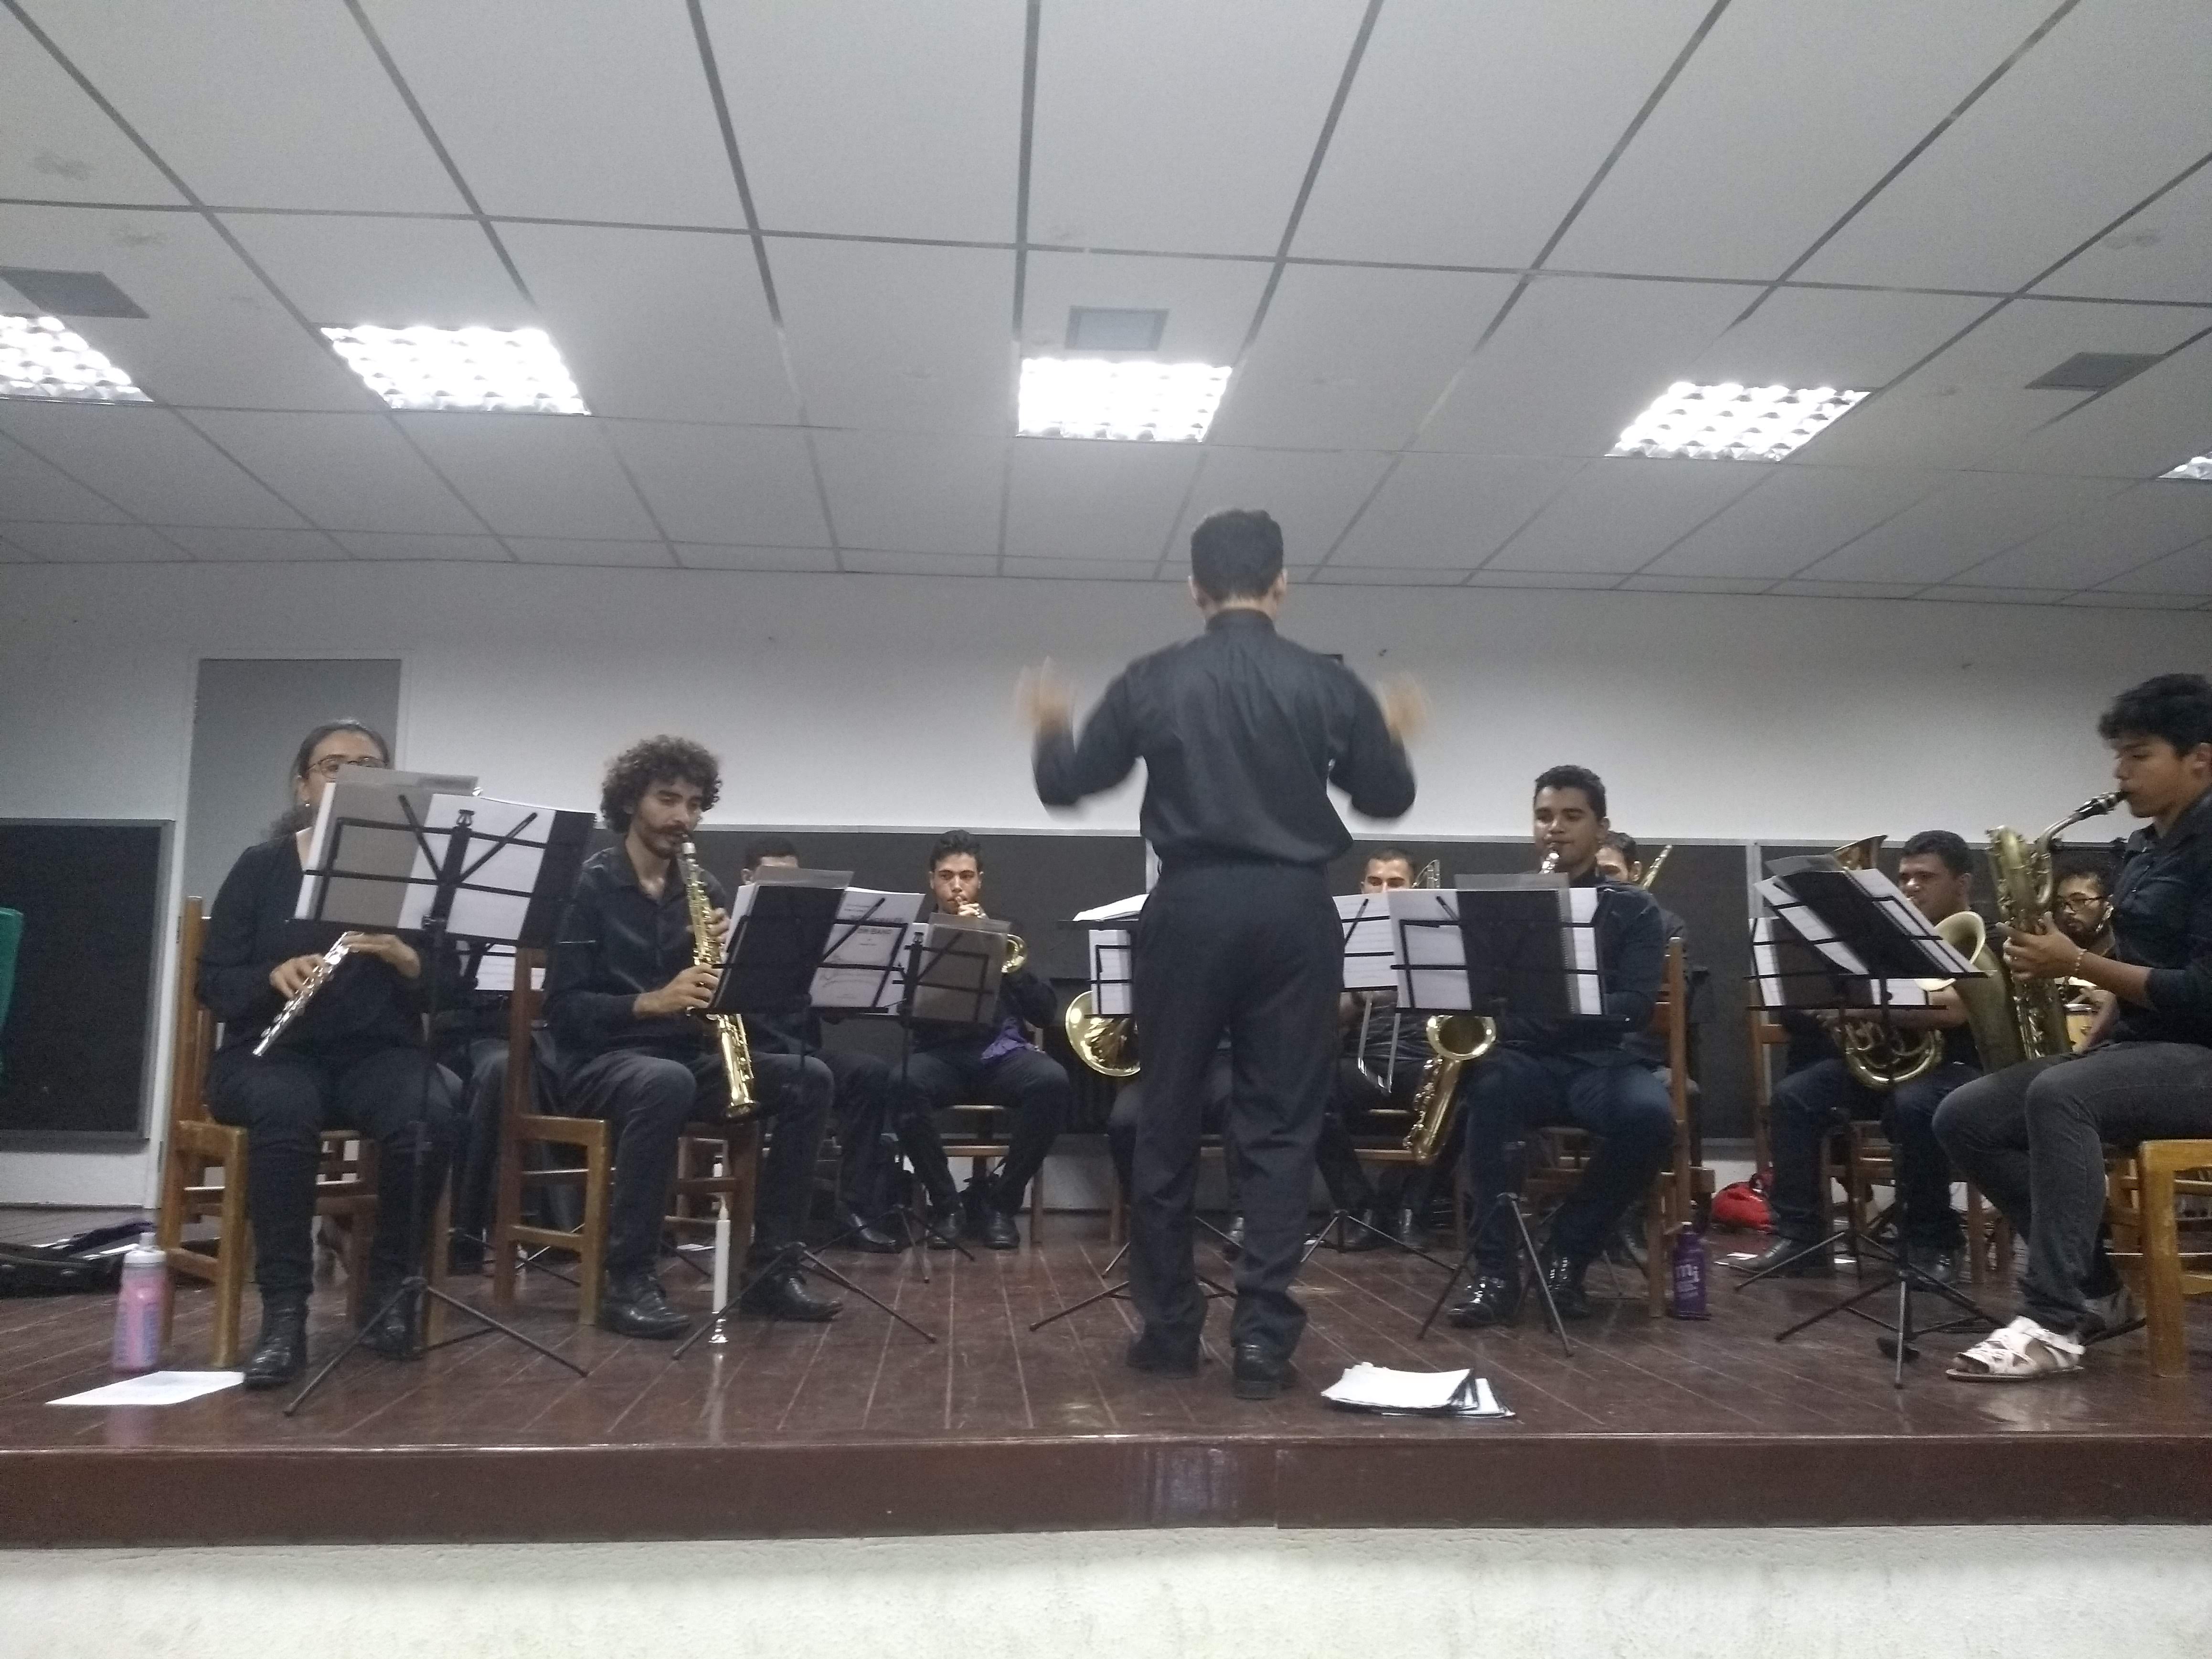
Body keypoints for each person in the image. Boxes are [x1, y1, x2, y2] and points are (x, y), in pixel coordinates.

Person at [1026, 506, 1420, 1399]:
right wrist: (1390, 734)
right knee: (1280, 1126)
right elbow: (1388, 796)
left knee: (1165, 1115)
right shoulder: (1327, 683)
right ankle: (1263, 1342)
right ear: (1282, 584)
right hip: (1293, 911)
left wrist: (1051, 725)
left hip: (1191, 907)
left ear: (1193, 589)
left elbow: (1067, 783)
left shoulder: (1154, 677)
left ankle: (1170, 1330)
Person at [1936, 674, 2212, 1381]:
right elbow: (2140, 963)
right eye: (2119, 755)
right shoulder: (2146, 847)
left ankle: (2053, 1323)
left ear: (2200, 759)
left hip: (2202, 1054)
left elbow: (2201, 989)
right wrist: (2090, 1044)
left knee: (2063, 1095)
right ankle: (2096, 1290)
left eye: (2139, 756)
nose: (2120, 773)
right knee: (1965, 1115)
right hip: (2152, 1048)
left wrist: (2077, 962)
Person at [545, 736, 838, 1338]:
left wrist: (734, 970)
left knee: (808, 1079)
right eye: (668, 799)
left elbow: (720, 1006)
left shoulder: (705, 890)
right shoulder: (587, 888)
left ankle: (773, 1268)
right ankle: (629, 1279)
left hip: (681, 1059)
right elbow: (564, 1011)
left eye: (696, 804)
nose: (683, 816)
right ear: (631, 801)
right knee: (665, 1082)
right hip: (599, 1063)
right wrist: (651, 1002)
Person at [199, 720, 458, 1390]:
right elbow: (213, 981)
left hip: (375, 1055)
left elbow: (452, 987)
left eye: (368, 766)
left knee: (429, 1112)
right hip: (271, 1053)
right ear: (304, 785)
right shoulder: (262, 867)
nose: (349, 777)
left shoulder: (415, 875)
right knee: (284, 1112)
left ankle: (387, 1290)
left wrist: (406, 957)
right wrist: (271, 976)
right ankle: (285, 1312)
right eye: (333, 765)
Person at [1449, 766, 1674, 1327]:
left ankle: (1568, 1253)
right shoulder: (1506, 905)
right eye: (1544, 817)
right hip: (1529, 1061)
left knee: (1650, 1118)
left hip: (1603, 1061)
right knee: (1488, 1093)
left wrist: (1559, 1004)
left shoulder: (1634, 909)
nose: (1555, 828)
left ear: (1601, 829)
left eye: (1572, 817)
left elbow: (1636, 1005)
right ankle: (1496, 1274)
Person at [1739, 830, 1984, 1284]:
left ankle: (1934, 1242)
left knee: (1913, 1106)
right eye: (1904, 877)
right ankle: (1800, 1238)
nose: (1911, 887)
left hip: (1960, 1069)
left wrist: (1860, 1008)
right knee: (1795, 1096)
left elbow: (1953, 1010)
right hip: (1893, 1065)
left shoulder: (1980, 937)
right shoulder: (1884, 939)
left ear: (1962, 883)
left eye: (1925, 877)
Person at [889, 830, 1073, 1249]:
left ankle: (1001, 1204)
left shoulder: (1008, 933)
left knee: (1052, 1082)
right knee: (901, 1084)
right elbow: (902, 1015)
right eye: (947, 876)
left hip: (1001, 1055)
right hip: (941, 1056)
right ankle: (947, 1205)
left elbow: (1044, 1012)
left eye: (966, 876)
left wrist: (1009, 965)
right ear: (931, 881)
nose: (957, 886)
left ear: (980, 881)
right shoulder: (917, 938)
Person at [737, 835, 912, 1252]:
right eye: (776, 880)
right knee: (806, 1077)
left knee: (870, 1074)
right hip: (751, 1055)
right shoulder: (732, 930)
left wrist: (848, 984)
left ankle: (855, 1208)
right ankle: (775, 1226)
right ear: (748, 878)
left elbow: (831, 1009)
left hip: (803, 1052)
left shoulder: (808, 935)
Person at [1330, 847, 1434, 1249]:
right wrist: (1360, 997)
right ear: (1362, 888)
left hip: (1423, 1057)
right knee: (1305, 1093)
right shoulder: (1342, 935)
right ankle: (1361, 1208)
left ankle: (1413, 1207)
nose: (1385, 892)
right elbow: (1323, 1018)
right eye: (1375, 882)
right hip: (1362, 1057)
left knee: (1469, 1094)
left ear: (1415, 889)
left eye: (1396, 883)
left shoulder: (1439, 934)